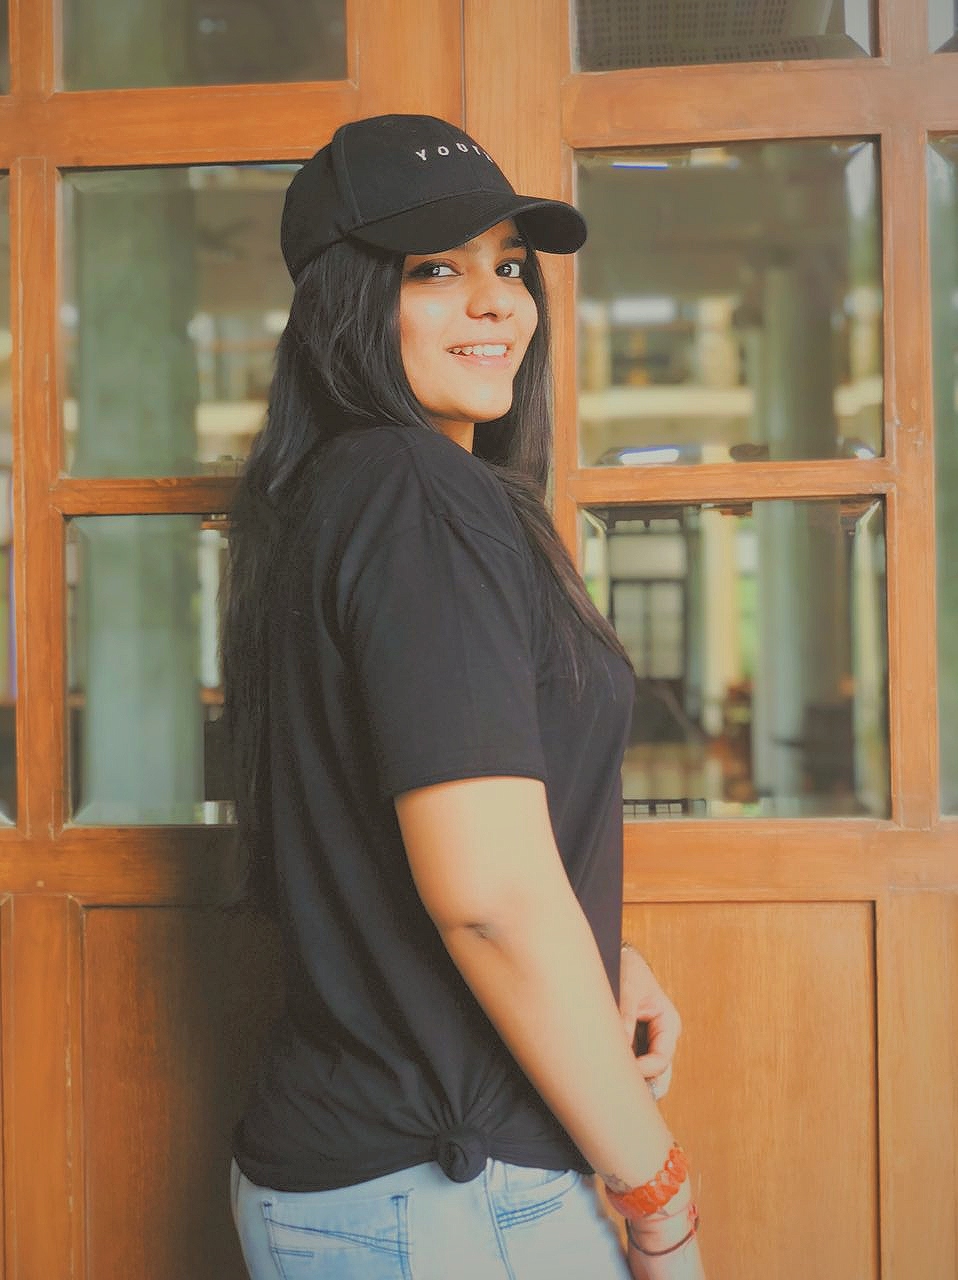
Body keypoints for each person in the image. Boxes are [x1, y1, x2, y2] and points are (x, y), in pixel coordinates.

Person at [224, 113, 707, 1280]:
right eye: (434, 270)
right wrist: (657, 1194)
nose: (496, 303)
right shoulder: (417, 495)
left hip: (384, 1176)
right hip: (441, 1187)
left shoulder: (344, 492)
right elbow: (487, 899)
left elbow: (411, 846)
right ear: (347, 302)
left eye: (510, 266)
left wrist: (588, 952)